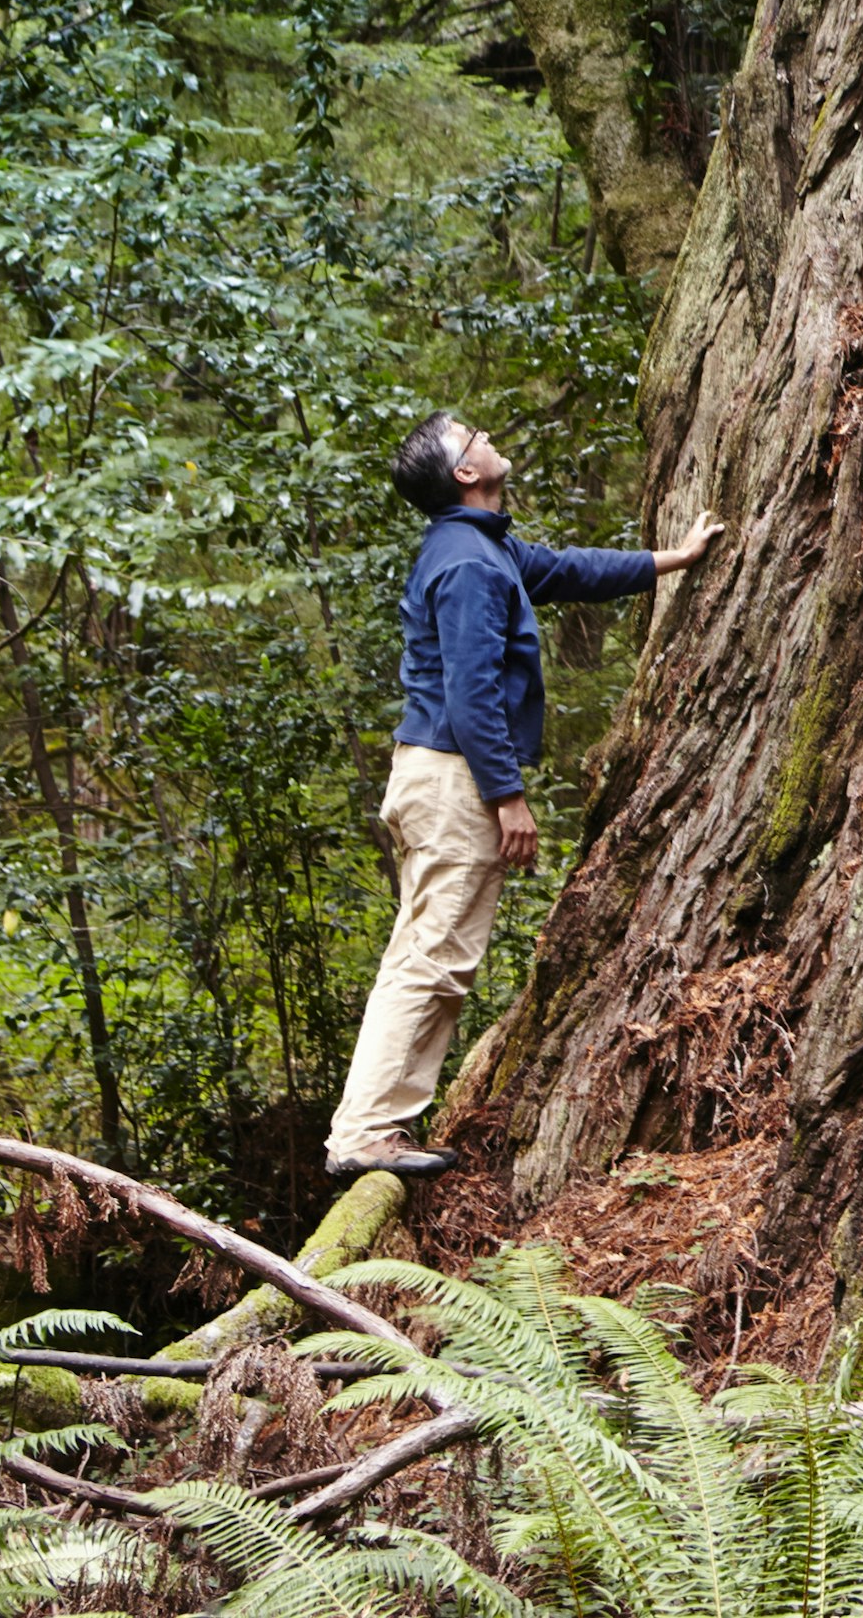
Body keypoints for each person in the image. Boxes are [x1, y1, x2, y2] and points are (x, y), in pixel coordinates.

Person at [327, 412, 722, 1177]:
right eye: (472, 435)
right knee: (433, 958)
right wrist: (507, 795)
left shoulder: (484, 546)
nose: (487, 437)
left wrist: (673, 558)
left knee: (428, 952)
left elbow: (568, 569)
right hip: (452, 776)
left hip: (439, 772)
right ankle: (365, 1133)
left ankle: (377, 1124)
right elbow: (471, 688)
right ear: (464, 474)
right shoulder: (468, 563)